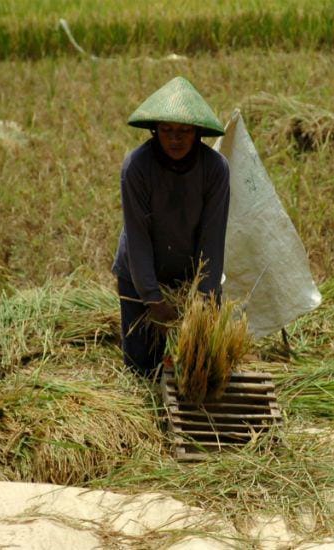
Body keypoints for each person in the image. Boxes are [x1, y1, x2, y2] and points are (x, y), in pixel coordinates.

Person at [112, 76, 230, 376]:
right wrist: (152, 299)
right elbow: (138, 236)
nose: (175, 139)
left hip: (191, 273)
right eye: (166, 131)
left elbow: (212, 237)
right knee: (142, 368)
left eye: (184, 131)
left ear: (197, 133)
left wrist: (203, 297)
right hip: (141, 273)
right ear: (155, 131)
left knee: (201, 366)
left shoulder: (215, 169)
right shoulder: (137, 167)